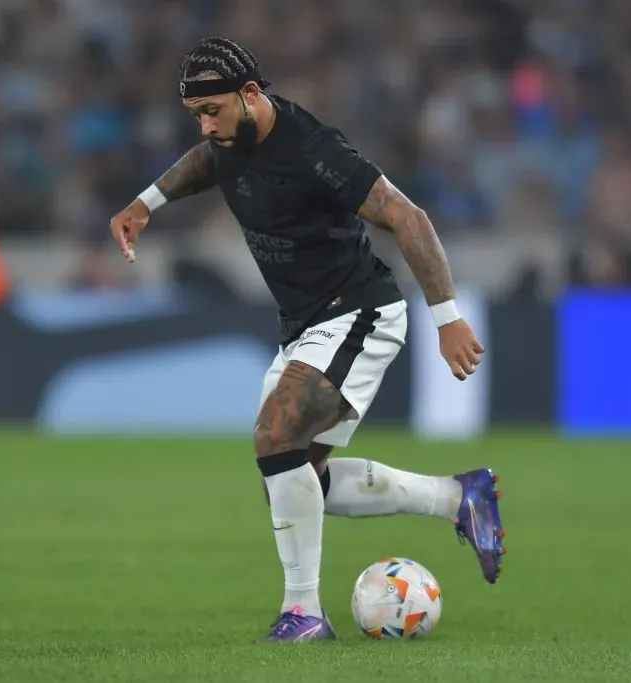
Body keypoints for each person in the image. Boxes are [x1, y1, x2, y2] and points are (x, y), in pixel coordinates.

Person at [110, 37, 505, 642]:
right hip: (303, 325)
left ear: (250, 95)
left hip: (359, 312)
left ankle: (304, 614)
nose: (206, 126)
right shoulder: (226, 141)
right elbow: (203, 163)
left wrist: (447, 318)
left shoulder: (314, 149)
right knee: (296, 478)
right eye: (197, 116)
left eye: (212, 110)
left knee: (274, 435)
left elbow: (409, 218)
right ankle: (458, 498)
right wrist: (147, 202)